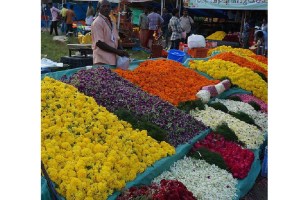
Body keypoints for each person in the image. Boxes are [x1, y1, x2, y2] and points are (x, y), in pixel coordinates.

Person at [91, 0, 129, 65]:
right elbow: (99, 43)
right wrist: (117, 51)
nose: (106, 8)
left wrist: (122, 51)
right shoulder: (97, 22)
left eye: (108, 6)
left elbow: (116, 38)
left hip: (112, 60)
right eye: (104, 6)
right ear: (98, 9)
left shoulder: (111, 22)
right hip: (102, 61)